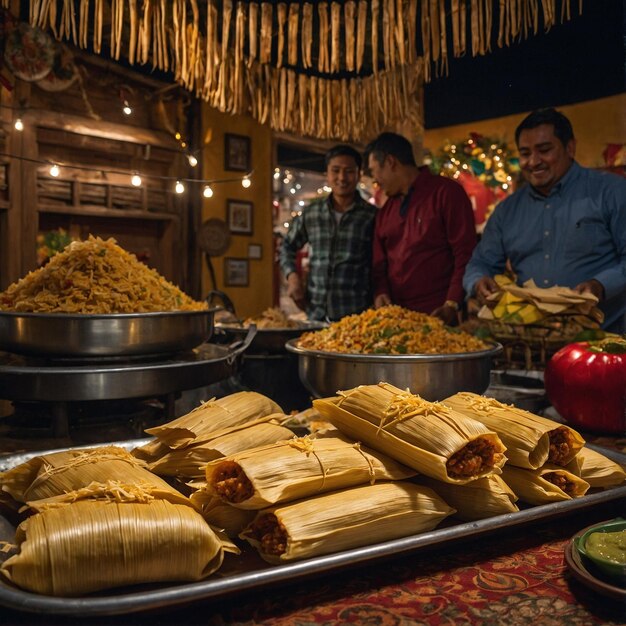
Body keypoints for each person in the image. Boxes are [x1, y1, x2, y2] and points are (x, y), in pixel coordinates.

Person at [463, 107, 626, 333]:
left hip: (603, 341)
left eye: (544, 150)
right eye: (525, 153)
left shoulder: (611, 192)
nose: (533, 161)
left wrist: (601, 285)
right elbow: (480, 263)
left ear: (570, 147)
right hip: (530, 344)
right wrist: (478, 281)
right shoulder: (507, 211)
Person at [365, 132, 477, 326]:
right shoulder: (385, 212)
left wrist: (452, 303)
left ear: (391, 162)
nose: (375, 180)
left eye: (375, 171)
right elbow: (379, 263)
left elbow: (465, 253)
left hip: (439, 315)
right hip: (397, 320)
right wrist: (381, 292)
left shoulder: (446, 193)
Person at [279, 144, 377, 321]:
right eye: (336, 170)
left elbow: (380, 264)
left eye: (349, 171)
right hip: (315, 314)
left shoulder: (371, 216)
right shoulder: (312, 212)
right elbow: (287, 246)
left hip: (356, 318)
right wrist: (293, 278)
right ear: (327, 174)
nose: (342, 177)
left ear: (359, 174)